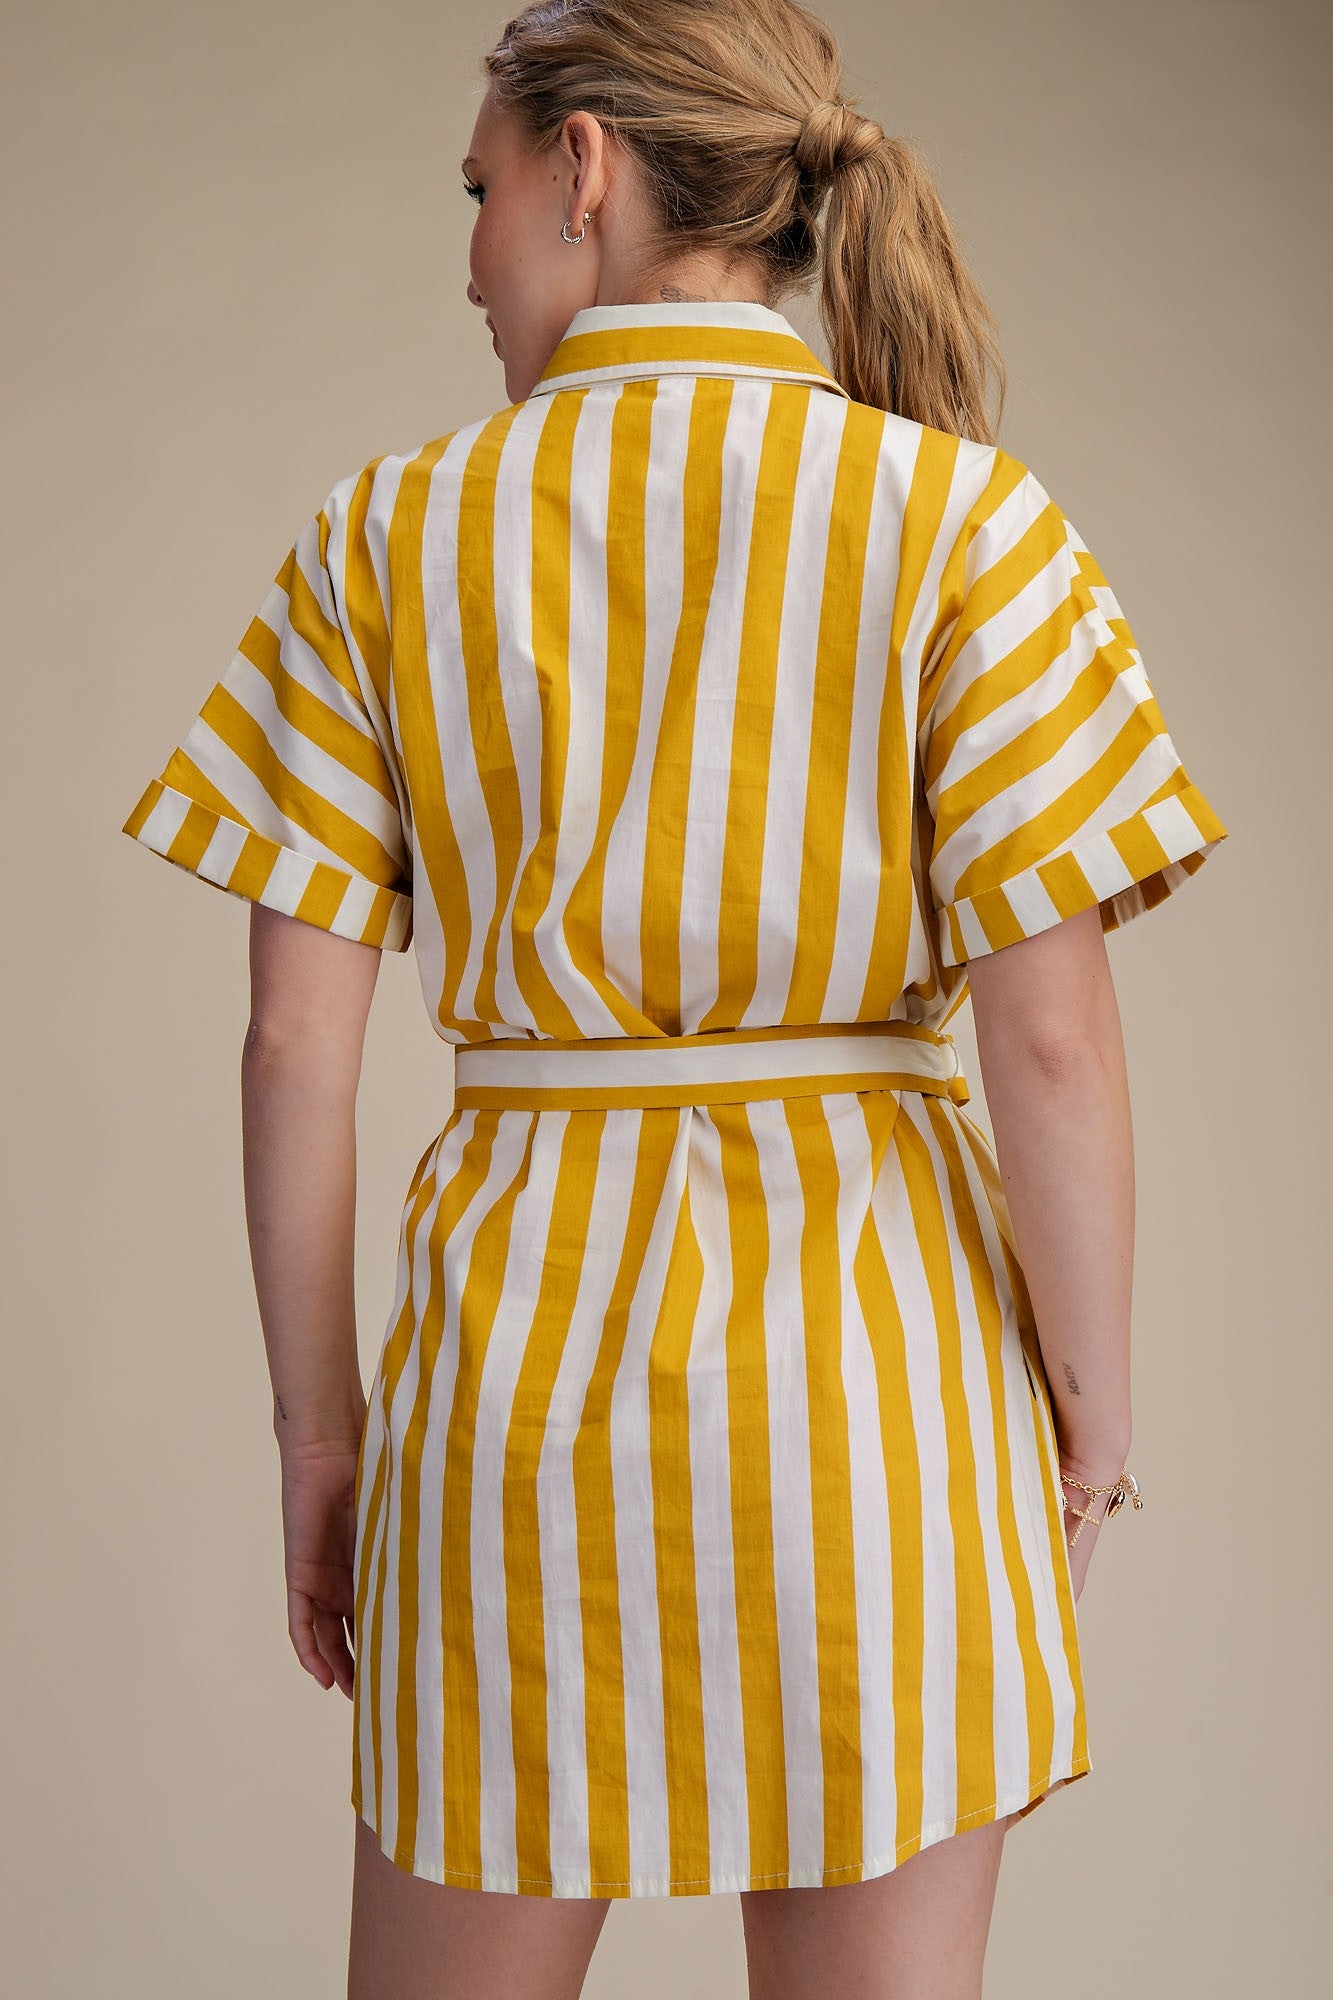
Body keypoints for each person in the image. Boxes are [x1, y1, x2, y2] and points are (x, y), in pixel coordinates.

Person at [119, 2, 1229, 1995]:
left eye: (477, 189)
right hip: (882, 1380)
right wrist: (1087, 1422)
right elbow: (1050, 1038)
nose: (467, 256)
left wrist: (319, 1437)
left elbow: (295, 1044)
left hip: (513, 1393)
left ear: (586, 169)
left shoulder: (387, 536)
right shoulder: (969, 524)